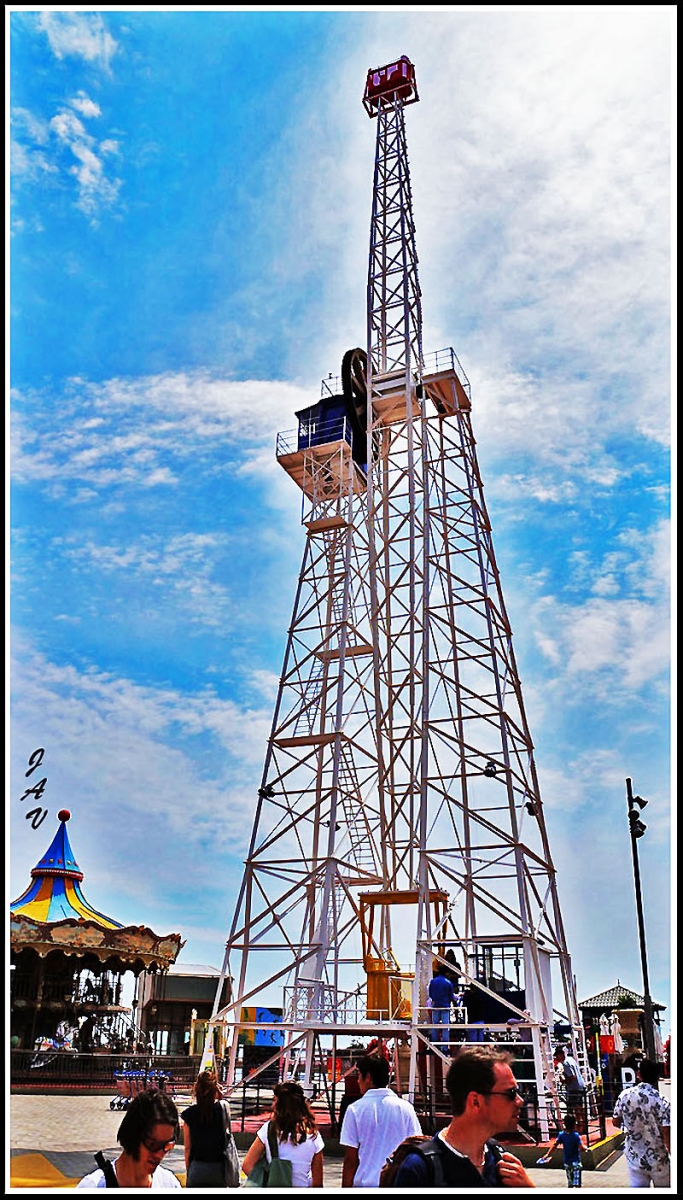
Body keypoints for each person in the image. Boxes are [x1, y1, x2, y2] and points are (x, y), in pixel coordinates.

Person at [391, 1047, 535, 1188]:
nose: (520, 1100)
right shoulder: (420, 1170)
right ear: (475, 1101)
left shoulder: (503, 1163)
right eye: (511, 1093)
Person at [340, 1054, 421, 1187]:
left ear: (368, 1078)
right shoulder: (406, 1108)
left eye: (360, 1075)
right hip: (396, 1183)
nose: (357, 1081)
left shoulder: (355, 1110)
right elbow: (415, 1147)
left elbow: (351, 1159)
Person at [77, 1089, 181, 1189]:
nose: (159, 1155)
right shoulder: (93, 1186)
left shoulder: (169, 1184)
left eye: (167, 1146)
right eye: (152, 1145)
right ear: (133, 1136)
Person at [241, 1080, 324, 1188]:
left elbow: (247, 1165)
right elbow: (318, 1183)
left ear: (282, 1105)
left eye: (275, 1100)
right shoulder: (314, 1135)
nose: (272, 1105)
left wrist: (268, 1181)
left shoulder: (269, 1129)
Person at [612, 1058, 670, 1188]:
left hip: (635, 1158)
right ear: (657, 1076)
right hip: (659, 1161)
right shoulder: (662, 1101)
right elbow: (667, 1134)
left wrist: (628, 1127)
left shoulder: (625, 1096)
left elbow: (615, 1121)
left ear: (638, 1074)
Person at [181, 1069, 238, 1188]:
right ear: (215, 1089)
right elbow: (223, 1099)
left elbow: (188, 1148)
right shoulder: (223, 1109)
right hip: (218, 1168)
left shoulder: (189, 1114)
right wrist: (217, 1090)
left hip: (197, 1168)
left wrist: (189, 1171)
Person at [538, 1114, 586, 1187]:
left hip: (567, 1161)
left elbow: (554, 1145)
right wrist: (585, 1148)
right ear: (574, 1124)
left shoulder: (562, 1135)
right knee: (577, 1182)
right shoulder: (576, 1135)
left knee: (570, 1182)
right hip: (576, 1161)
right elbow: (581, 1148)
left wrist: (548, 1154)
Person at [429, 967, 456, 1047]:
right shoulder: (448, 983)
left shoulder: (433, 981)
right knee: (445, 1027)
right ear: (446, 973)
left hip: (435, 1006)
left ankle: (434, 1044)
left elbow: (430, 994)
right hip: (445, 1006)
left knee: (435, 1026)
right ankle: (444, 1046)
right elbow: (451, 996)